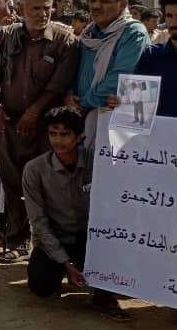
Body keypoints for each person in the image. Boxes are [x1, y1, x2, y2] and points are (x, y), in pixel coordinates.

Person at [0, 0, 79, 263]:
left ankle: (48, 247)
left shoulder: (64, 41)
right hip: (10, 123)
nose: (42, 14)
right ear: (21, 9)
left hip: (47, 128)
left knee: (46, 184)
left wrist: (35, 112)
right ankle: (16, 241)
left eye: (47, 8)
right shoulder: (6, 37)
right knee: (12, 184)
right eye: (35, 8)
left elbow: (58, 84)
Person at [22, 107, 132, 322]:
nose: (58, 140)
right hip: (56, 238)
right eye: (53, 133)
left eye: (65, 134)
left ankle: (103, 297)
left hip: (91, 240)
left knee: (116, 284)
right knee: (40, 286)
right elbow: (39, 223)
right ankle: (65, 272)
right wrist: (66, 263)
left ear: (79, 136)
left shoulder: (97, 163)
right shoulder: (34, 170)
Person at [66, 0, 150, 136]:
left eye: (104, 1)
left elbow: (120, 77)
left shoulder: (133, 33)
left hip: (112, 118)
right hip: (79, 116)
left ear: (123, 4)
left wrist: (83, 103)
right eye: (92, 0)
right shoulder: (89, 33)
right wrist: (69, 96)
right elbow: (74, 70)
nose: (96, 6)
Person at [125, 0, 177, 117]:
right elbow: (136, 103)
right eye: (169, 16)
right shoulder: (151, 55)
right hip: (159, 129)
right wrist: (120, 101)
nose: (174, 22)